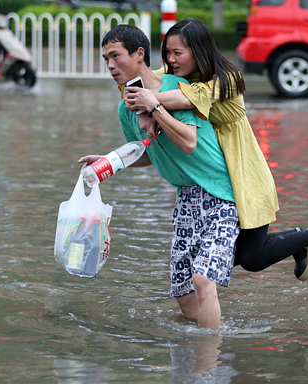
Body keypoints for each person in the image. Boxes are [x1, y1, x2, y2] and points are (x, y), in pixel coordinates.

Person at [123, 19, 308, 280]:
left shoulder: (227, 78)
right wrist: (141, 105)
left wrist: (148, 105)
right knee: (234, 256)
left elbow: (184, 98)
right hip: (219, 176)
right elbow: (137, 82)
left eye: (178, 53)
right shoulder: (177, 73)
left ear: (199, 51)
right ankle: (299, 241)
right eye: (168, 53)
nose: (171, 59)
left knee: (248, 259)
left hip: (244, 173)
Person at [77, 24, 240, 329]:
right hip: (186, 198)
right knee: (182, 291)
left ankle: (210, 368)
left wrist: (155, 108)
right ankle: (192, 359)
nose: (110, 66)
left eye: (116, 56)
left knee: (203, 280)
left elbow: (189, 143)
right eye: (105, 60)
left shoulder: (177, 87)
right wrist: (110, 161)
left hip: (218, 194)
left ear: (139, 54)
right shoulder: (125, 109)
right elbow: (148, 154)